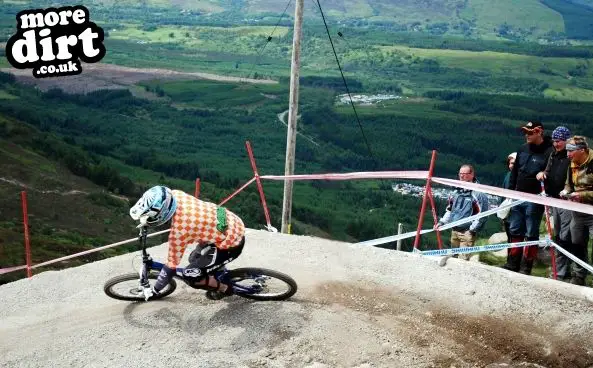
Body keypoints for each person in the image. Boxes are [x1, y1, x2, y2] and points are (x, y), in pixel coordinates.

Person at [129, 185, 246, 299]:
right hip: (231, 223)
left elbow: (170, 267)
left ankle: (225, 289)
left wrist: (155, 291)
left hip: (232, 243)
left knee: (190, 275)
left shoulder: (180, 230)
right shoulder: (175, 194)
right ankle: (217, 271)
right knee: (193, 258)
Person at [503, 120, 554, 275]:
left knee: (531, 231)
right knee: (514, 229)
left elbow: (551, 172)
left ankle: (526, 267)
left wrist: (545, 174)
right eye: (525, 132)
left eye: (530, 132)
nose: (527, 135)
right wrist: (510, 192)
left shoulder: (549, 150)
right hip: (518, 195)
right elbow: (515, 172)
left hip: (535, 197)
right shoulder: (522, 149)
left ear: (539, 132)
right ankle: (512, 263)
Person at [536, 126, 573, 281]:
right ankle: (558, 270)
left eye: (559, 141)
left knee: (564, 236)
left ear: (566, 141)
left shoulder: (571, 157)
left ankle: (562, 272)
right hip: (552, 200)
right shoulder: (553, 155)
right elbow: (548, 171)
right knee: (557, 235)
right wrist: (543, 173)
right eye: (554, 141)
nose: (556, 144)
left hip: (567, 202)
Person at [436, 164, 489, 260]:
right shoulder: (456, 192)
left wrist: (472, 230)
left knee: (462, 262)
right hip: (454, 231)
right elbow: (450, 209)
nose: (461, 176)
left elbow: (483, 214)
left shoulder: (478, 193)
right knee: (452, 259)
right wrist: (442, 222)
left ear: (472, 174)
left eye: (464, 173)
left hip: (467, 233)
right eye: (460, 173)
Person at [559, 136, 593, 286]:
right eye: (567, 151)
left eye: (571, 151)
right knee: (577, 243)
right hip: (578, 212)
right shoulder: (572, 164)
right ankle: (579, 276)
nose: (568, 155)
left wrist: (582, 195)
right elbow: (569, 184)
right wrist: (566, 191)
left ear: (582, 150)